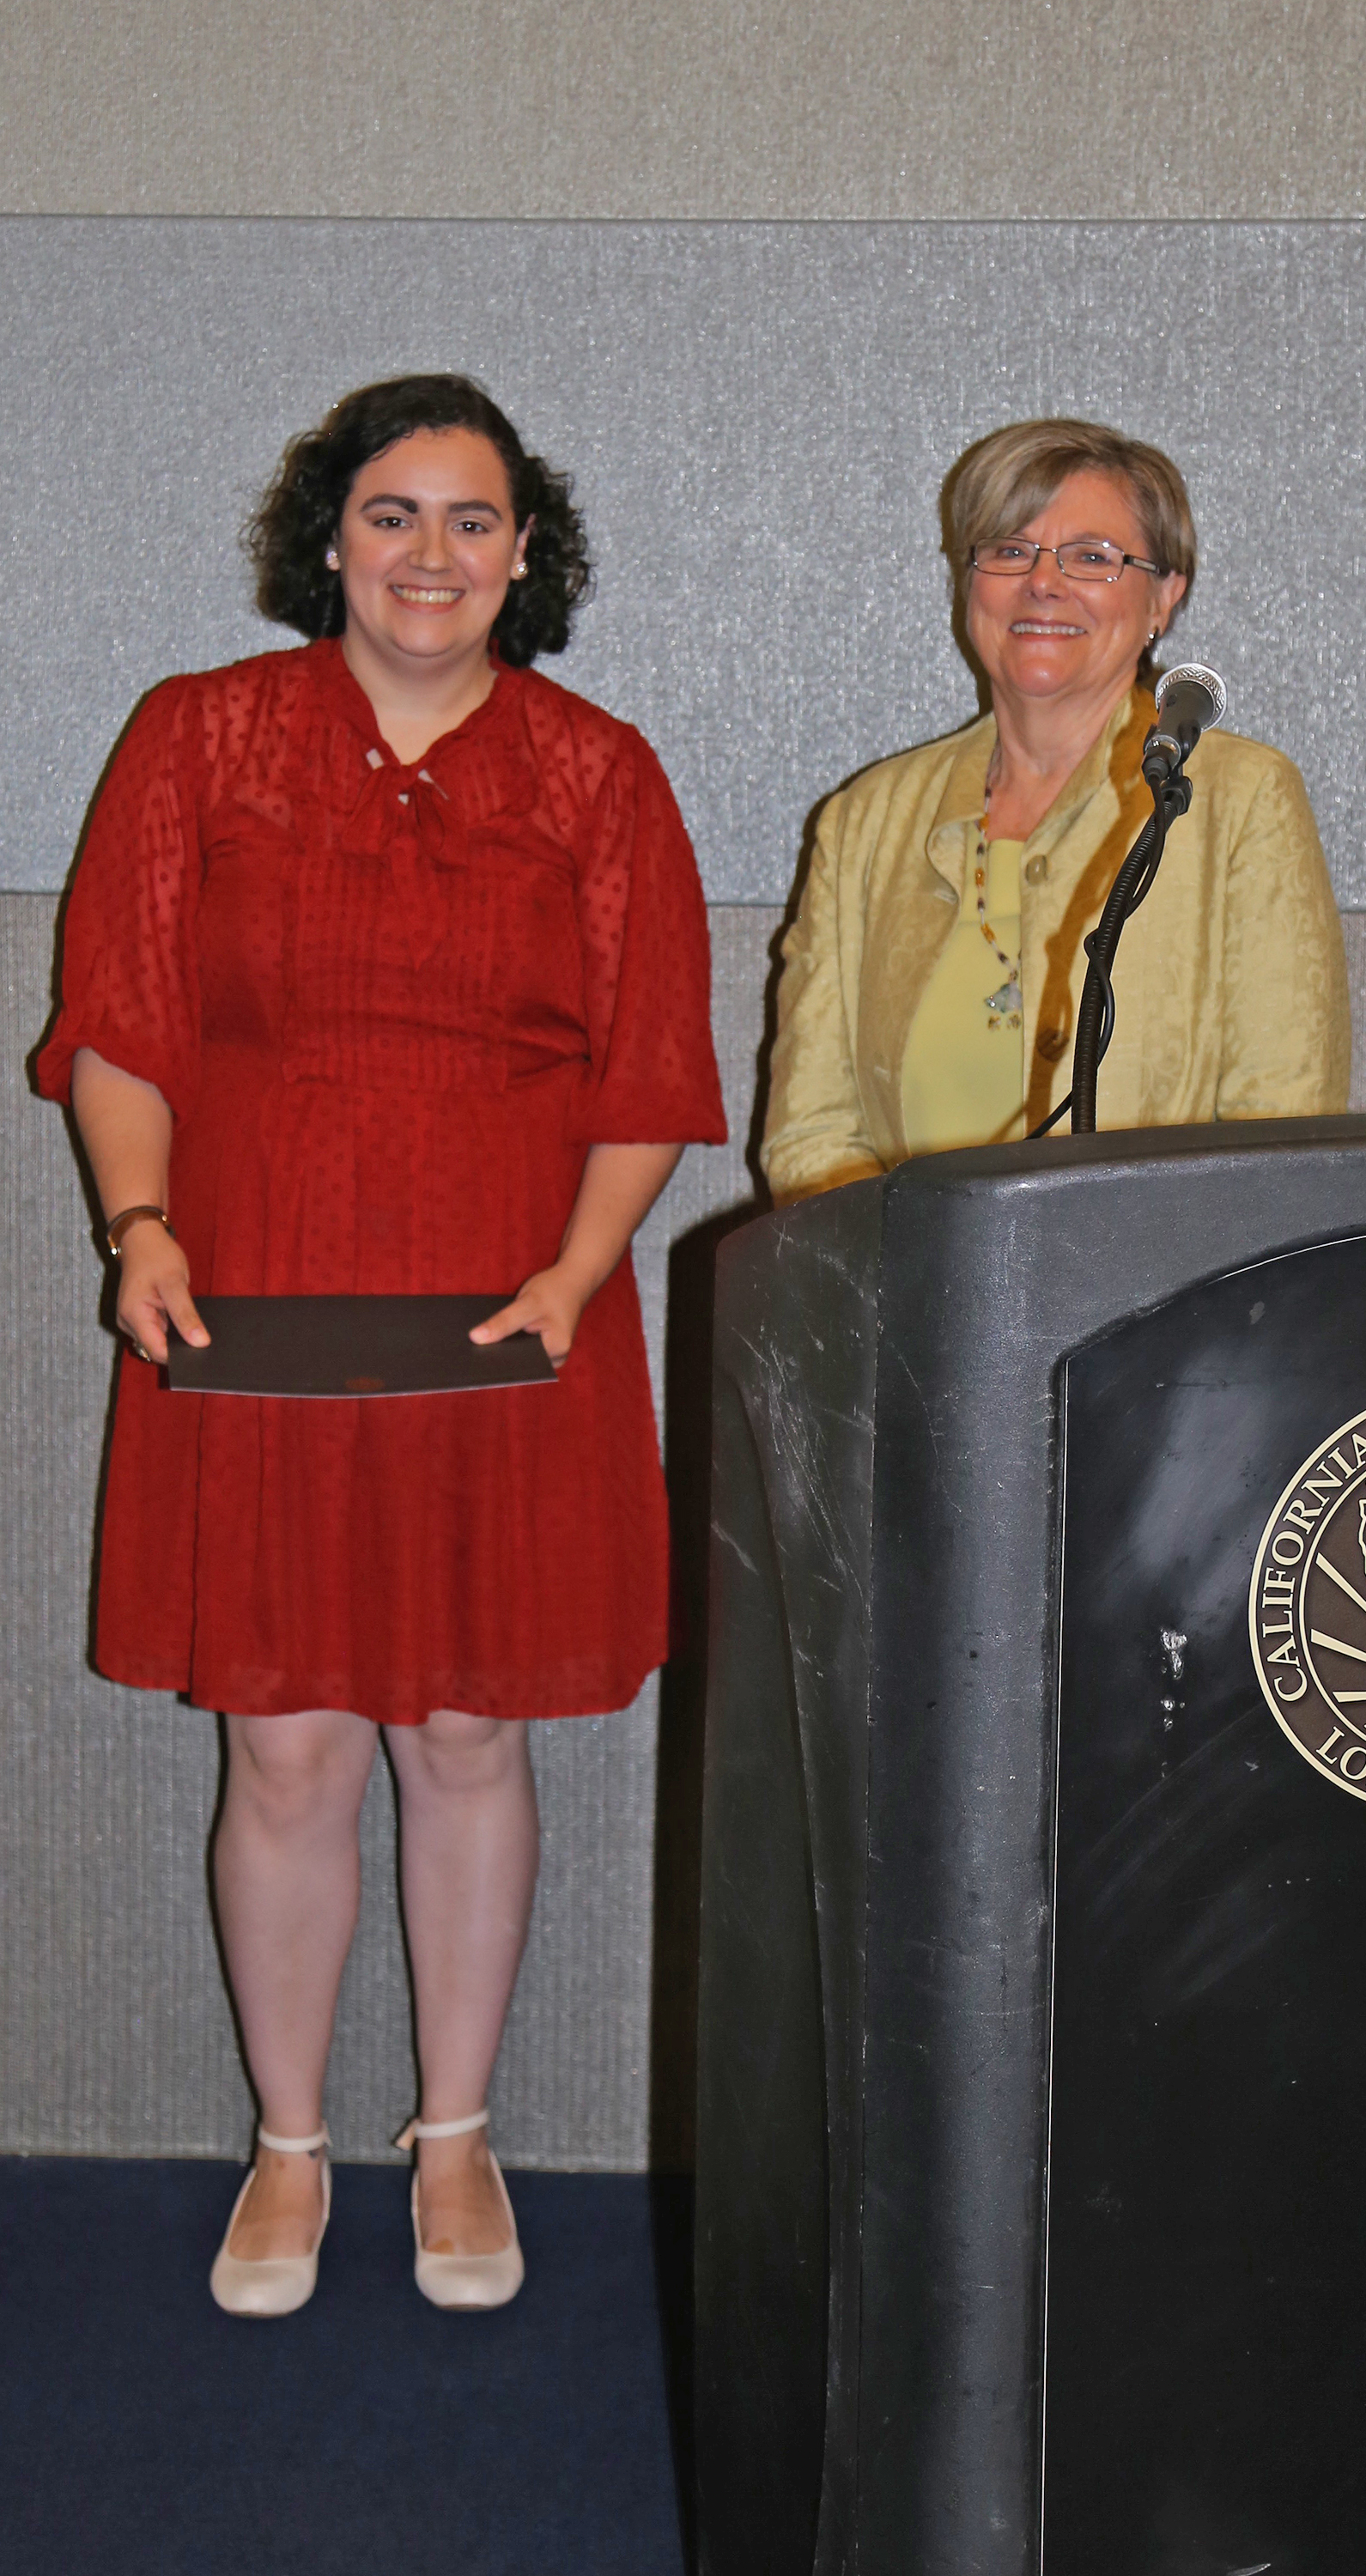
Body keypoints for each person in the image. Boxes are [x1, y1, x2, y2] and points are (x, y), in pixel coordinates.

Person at [35, 374, 725, 2316]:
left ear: (530, 549)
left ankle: (456, 2130)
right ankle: (287, 2142)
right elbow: (122, 1026)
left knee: (470, 1726)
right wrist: (141, 1226)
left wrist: (587, 1275)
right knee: (287, 1739)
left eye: (475, 518)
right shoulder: (199, 738)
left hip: (516, 1317)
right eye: (396, 513)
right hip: (252, 1308)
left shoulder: (599, 769)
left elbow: (653, 1067)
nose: (434, 553)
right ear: (328, 536)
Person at [760, 417, 1349, 1201]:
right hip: (916, 1314)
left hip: (1174, 1312)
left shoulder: (1241, 801)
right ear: (969, 584)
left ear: (1163, 598)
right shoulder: (864, 823)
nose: (1043, 582)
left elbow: (1282, 1132)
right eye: (1008, 550)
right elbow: (810, 1142)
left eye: (1092, 559)